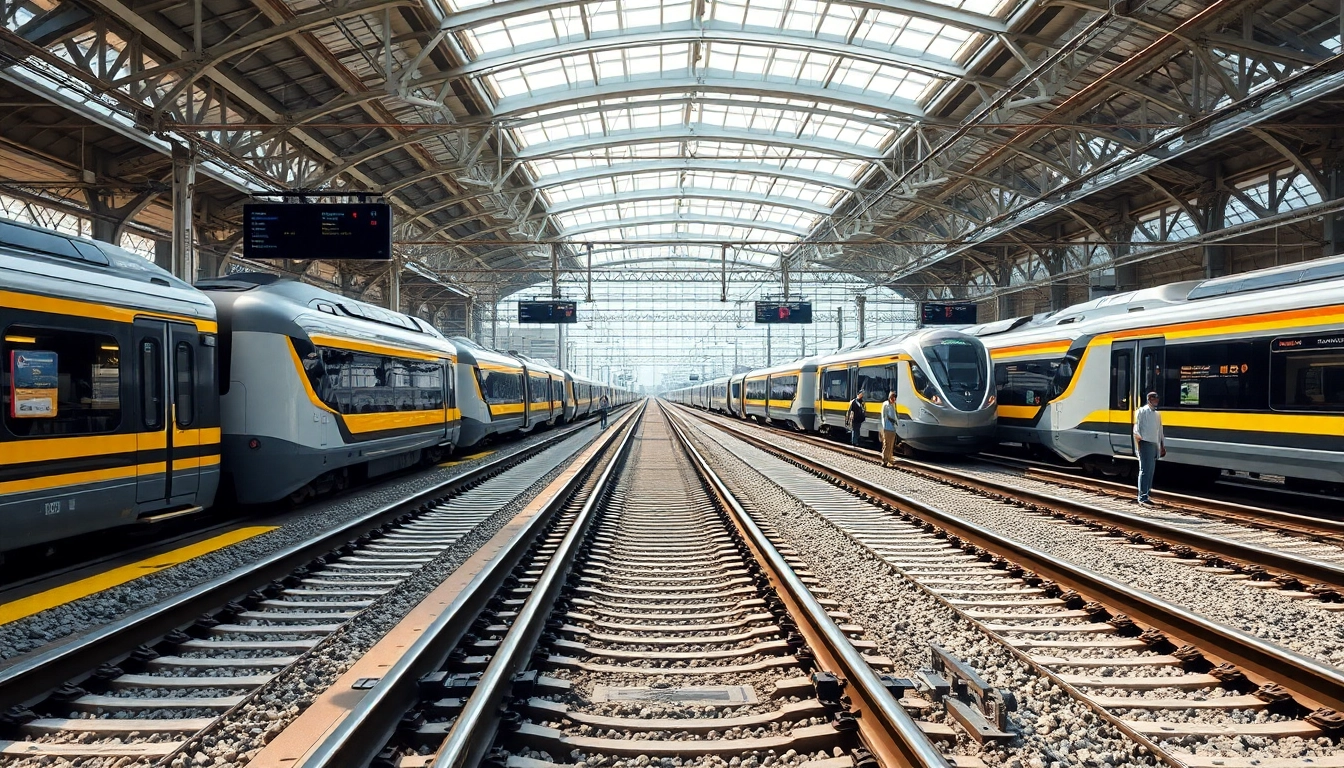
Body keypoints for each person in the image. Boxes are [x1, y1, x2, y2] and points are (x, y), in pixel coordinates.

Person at [1133, 391, 1166, 505]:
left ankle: (1146, 494)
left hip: (1154, 443)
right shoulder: (1141, 411)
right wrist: (1139, 443)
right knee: (1145, 470)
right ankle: (1142, 497)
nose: (1156, 400)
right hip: (1145, 442)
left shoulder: (1157, 414)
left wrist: (1162, 445)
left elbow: (1160, 430)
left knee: (1150, 471)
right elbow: (1136, 428)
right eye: (1154, 398)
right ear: (1149, 399)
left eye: (1157, 398)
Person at [880, 391, 900, 467]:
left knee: (891, 445)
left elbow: (895, 415)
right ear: (890, 398)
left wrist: (896, 424)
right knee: (886, 444)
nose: (894, 400)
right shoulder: (886, 405)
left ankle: (889, 460)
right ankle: (884, 460)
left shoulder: (893, 405)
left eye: (895, 398)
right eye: (893, 398)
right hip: (887, 428)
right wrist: (884, 426)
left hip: (893, 428)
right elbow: (883, 416)